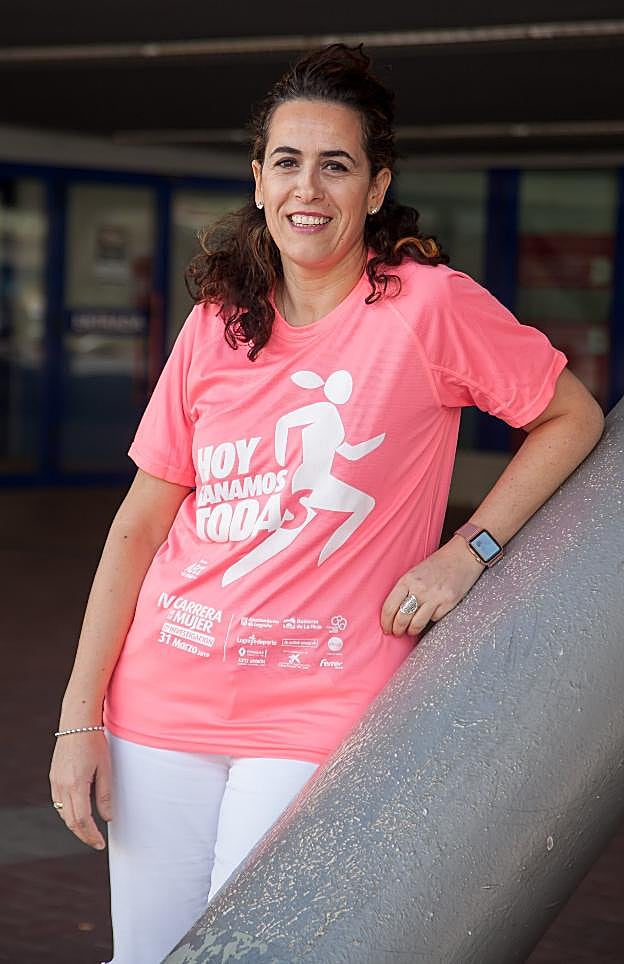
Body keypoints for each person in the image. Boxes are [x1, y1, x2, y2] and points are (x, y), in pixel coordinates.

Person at [49, 43, 604, 964]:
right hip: (161, 699)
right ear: (259, 180)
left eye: (337, 165)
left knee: (256, 952)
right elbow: (139, 526)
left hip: (319, 711)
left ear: (376, 188)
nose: (308, 188)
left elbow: (569, 416)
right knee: (147, 955)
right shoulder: (217, 324)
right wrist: (81, 717)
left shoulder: (428, 307)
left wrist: (470, 550)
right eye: (287, 161)